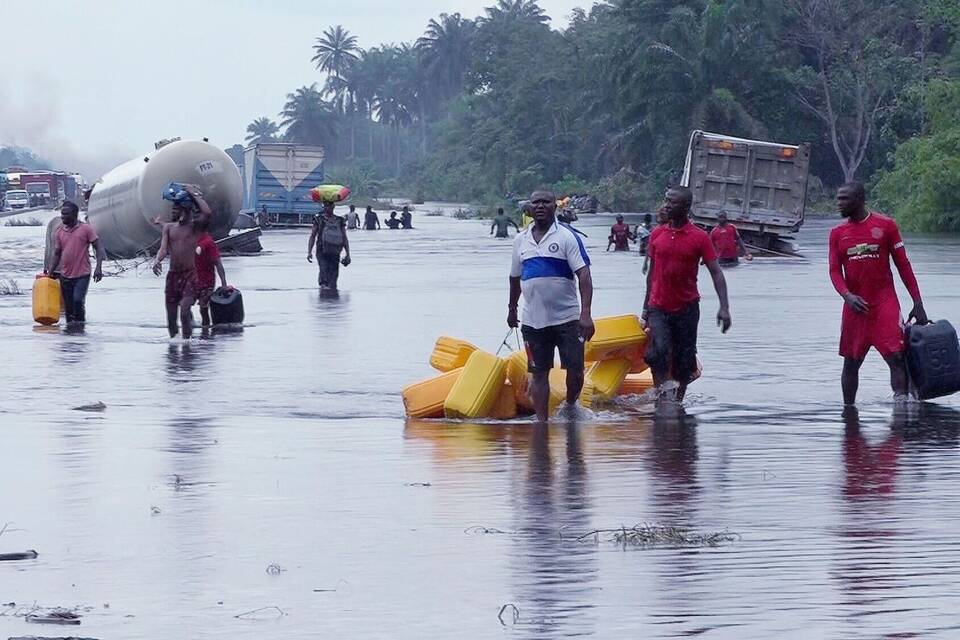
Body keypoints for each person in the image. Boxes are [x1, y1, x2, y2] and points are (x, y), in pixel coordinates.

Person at [828, 182, 927, 406]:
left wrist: (917, 302)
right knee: (851, 363)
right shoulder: (837, 234)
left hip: (884, 304)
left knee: (897, 358)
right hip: (855, 307)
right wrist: (847, 296)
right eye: (838, 198)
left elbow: (904, 265)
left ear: (860, 200)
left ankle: (901, 409)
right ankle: (848, 412)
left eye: (844, 199)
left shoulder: (886, 226)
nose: (839, 203)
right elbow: (834, 271)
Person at [508, 189, 595, 422]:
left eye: (545, 202)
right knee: (538, 372)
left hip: (567, 319)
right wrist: (512, 309)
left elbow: (584, 276)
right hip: (532, 320)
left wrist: (585, 314)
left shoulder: (567, 237)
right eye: (535, 202)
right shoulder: (520, 240)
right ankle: (542, 422)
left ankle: (570, 405)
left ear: (554, 207)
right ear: (529, 207)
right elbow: (515, 278)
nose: (540, 206)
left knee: (575, 370)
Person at [643, 186, 731, 402]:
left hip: (687, 307)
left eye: (672, 202)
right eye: (666, 200)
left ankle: (677, 402)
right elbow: (651, 274)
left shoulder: (699, 237)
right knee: (659, 351)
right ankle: (662, 397)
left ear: (686, 207)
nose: (666, 205)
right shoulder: (656, 234)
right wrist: (645, 309)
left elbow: (716, 273)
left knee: (684, 360)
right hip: (658, 306)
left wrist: (724, 307)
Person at [152, 185, 212, 339]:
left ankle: (187, 345)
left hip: (191, 276)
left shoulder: (195, 228)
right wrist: (157, 260)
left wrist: (194, 195)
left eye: (176, 208)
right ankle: (174, 346)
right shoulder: (169, 228)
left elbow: (206, 212)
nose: (173, 211)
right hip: (172, 276)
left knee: (185, 310)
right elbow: (163, 249)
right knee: (171, 318)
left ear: (185, 209)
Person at [46, 201, 104, 324]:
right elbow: (57, 254)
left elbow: (99, 247)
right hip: (65, 275)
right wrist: (50, 272)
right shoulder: (59, 232)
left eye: (66, 214)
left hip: (82, 274)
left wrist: (98, 268)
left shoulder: (86, 229)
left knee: (78, 301)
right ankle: (72, 337)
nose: (63, 217)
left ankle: (80, 329)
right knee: (68, 308)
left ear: (75, 215)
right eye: (62, 214)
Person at [307, 201, 352, 291]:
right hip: (321, 250)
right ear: (324, 207)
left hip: (335, 250)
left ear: (333, 206)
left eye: (329, 206)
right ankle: (325, 295)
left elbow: (344, 237)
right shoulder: (319, 219)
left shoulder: (340, 220)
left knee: (334, 276)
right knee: (323, 270)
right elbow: (313, 235)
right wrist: (309, 252)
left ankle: (330, 295)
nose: (328, 208)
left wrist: (348, 253)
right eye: (326, 206)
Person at [194, 217, 229, 327]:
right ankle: (190, 328)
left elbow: (218, 264)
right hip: (193, 281)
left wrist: (224, 284)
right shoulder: (191, 240)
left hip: (206, 282)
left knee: (203, 308)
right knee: (183, 304)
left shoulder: (208, 243)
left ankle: (206, 332)